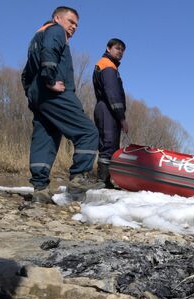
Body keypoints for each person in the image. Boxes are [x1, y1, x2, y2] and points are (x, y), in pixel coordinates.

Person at [21, 6, 104, 203]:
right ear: (58, 18)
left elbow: (25, 74)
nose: (74, 27)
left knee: (45, 138)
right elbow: (50, 52)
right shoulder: (55, 31)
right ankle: (78, 177)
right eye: (70, 21)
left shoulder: (36, 37)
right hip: (54, 92)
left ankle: (40, 190)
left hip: (39, 96)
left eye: (76, 24)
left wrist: (32, 93)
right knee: (88, 132)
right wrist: (49, 80)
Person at [93, 38, 127, 188]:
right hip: (107, 108)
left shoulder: (110, 66)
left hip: (107, 108)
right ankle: (102, 181)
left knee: (111, 144)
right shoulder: (107, 66)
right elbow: (112, 94)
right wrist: (122, 117)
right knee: (108, 144)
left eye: (122, 50)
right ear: (108, 48)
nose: (120, 52)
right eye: (117, 48)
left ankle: (106, 180)